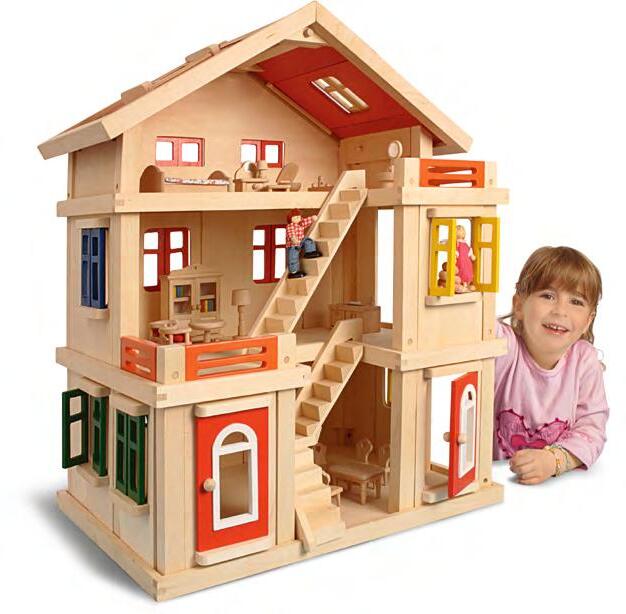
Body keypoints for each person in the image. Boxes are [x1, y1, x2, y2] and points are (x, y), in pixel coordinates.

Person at [494, 246, 608, 484]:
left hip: (555, 489)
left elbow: (592, 430)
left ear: (588, 321)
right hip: (495, 480)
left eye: (576, 301)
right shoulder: (504, 345)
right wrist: (460, 287)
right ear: (519, 306)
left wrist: (553, 461)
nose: (560, 311)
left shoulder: (584, 362)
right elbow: (473, 322)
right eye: (548, 296)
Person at [285, 208, 322, 279]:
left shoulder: (300, 224)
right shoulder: (290, 226)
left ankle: (310, 251)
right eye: (295, 217)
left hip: (301, 240)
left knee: (308, 240)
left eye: (299, 217)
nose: (298, 218)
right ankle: (294, 271)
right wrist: (293, 238)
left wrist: (312, 218)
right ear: (290, 219)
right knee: (293, 257)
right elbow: (290, 233)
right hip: (293, 245)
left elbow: (305, 221)